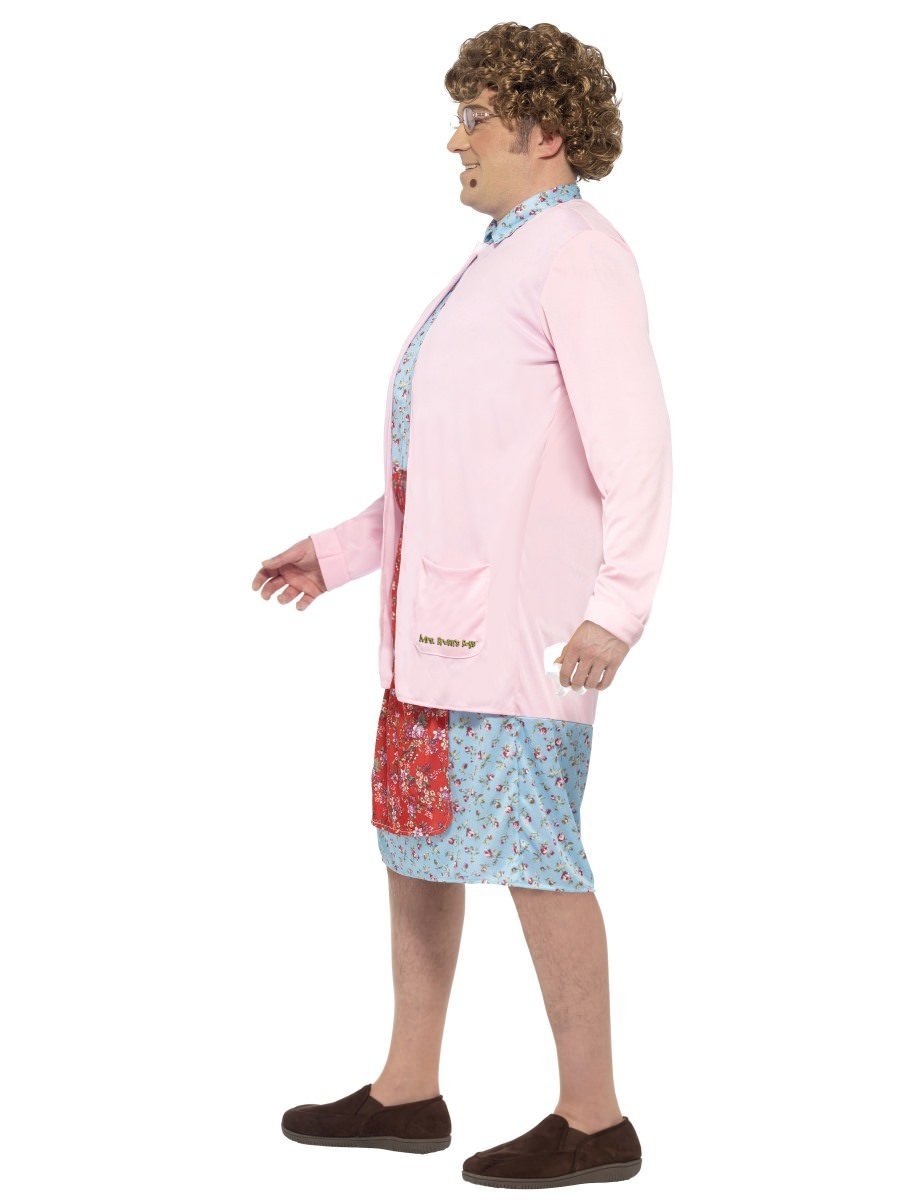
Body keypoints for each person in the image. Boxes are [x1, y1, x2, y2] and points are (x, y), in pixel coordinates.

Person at [251, 20, 672, 1189]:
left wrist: (618, 608)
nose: (456, 140)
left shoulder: (578, 256)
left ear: (545, 132)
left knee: (538, 856)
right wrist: (338, 554)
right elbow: (446, 475)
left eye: (475, 118)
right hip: (430, 634)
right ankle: (408, 1090)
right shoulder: (502, 256)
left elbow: (638, 449)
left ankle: (595, 1117)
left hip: (521, 643)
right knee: (417, 842)